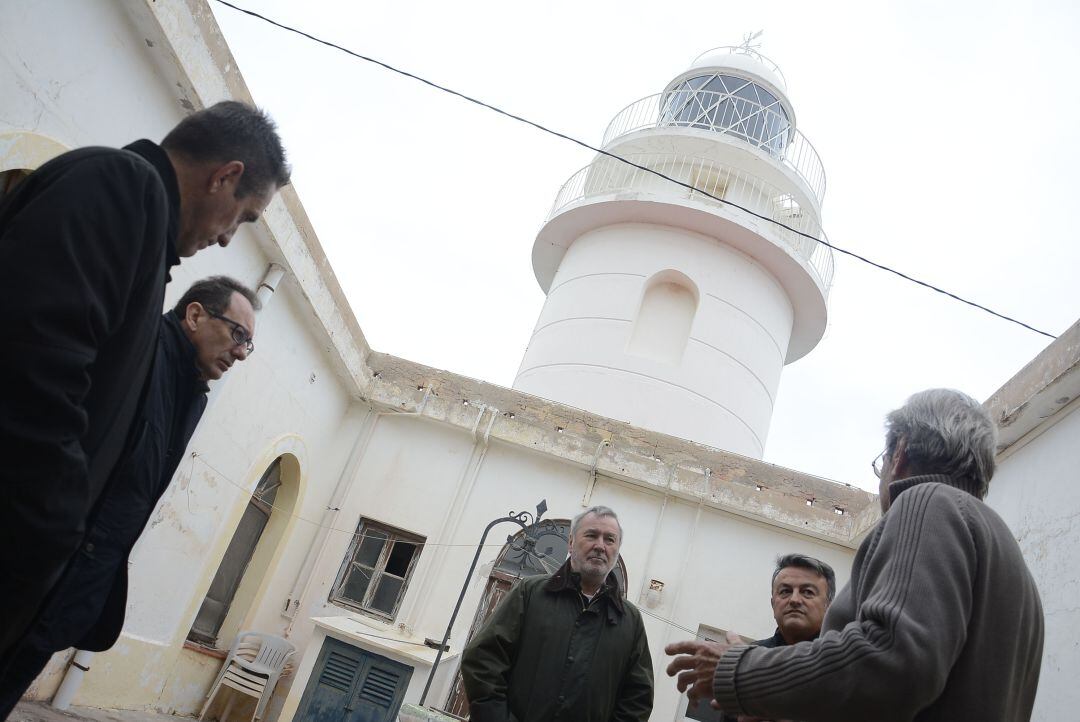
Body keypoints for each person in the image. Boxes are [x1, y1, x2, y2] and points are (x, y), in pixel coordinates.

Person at [0, 101, 289, 671]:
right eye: (245, 216)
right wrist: (57, 540)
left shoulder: (140, 226)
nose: (231, 238)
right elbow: (35, 378)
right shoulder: (120, 188)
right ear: (225, 176)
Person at [666, 389, 1045, 722]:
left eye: (882, 462)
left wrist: (741, 670)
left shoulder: (926, 502)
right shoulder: (1010, 558)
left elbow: (891, 664)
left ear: (899, 452)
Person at [0, 277, 261, 717]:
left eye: (247, 345)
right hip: (32, 570)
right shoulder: (140, 349)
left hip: (72, 590)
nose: (239, 352)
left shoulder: (191, 393)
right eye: (238, 335)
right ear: (195, 315)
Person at [460, 505, 653, 722]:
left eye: (610, 539)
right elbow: (483, 661)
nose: (600, 546)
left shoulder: (630, 621)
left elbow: (638, 698)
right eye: (591, 535)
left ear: (617, 551)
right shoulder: (531, 593)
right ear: (571, 543)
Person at [705, 554, 834, 722]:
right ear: (773, 604)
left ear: (828, 606)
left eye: (807, 592)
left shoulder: (845, 663)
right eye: (785, 591)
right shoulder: (748, 660)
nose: (794, 599)